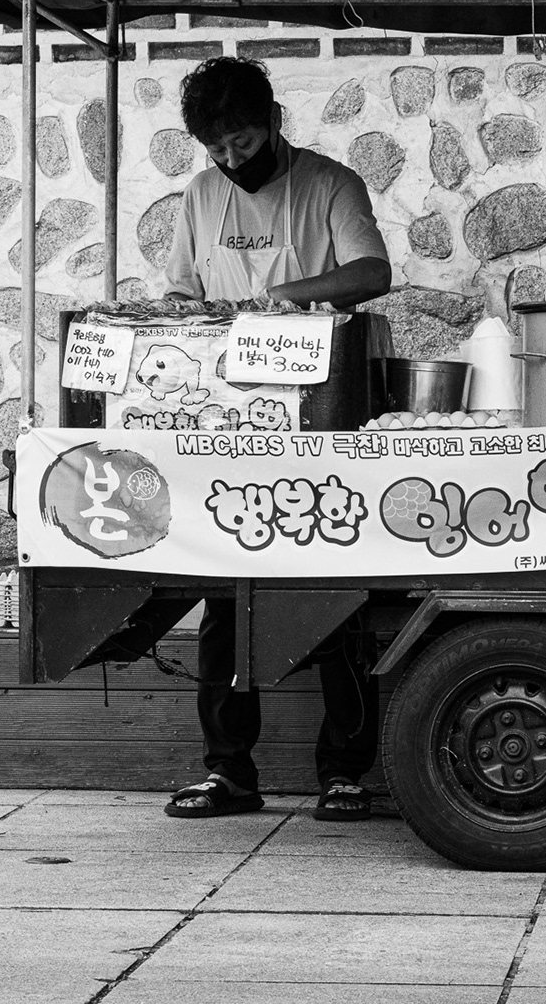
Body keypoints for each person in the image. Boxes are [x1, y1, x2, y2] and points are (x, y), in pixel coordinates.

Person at [160, 56, 392, 823]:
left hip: (324, 422)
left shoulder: (330, 184)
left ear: (273, 121)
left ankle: (345, 772)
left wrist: (285, 297)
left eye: (243, 139)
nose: (232, 158)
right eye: (217, 148)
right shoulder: (199, 196)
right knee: (226, 596)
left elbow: (371, 271)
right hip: (228, 428)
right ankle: (229, 771)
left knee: (338, 595)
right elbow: (179, 297)